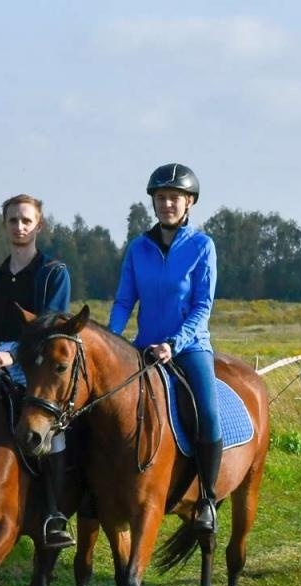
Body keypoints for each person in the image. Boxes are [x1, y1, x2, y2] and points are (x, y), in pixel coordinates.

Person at [0, 193, 75, 549]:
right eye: (13, 220)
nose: (19, 226)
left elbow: (48, 327)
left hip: (31, 368)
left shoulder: (54, 273)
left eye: (26, 220)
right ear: (4, 224)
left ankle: (53, 514)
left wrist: (10, 356)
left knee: (50, 429)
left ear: (39, 225)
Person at [108, 164, 221, 532]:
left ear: (189, 203)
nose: (167, 204)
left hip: (189, 348)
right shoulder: (138, 249)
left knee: (207, 413)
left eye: (174, 198)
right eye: (161, 198)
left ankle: (206, 498)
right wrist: (111, 338)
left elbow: (203, 306)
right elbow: (125, 300)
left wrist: (175, 343)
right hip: (144, 348)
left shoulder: (203, 246)